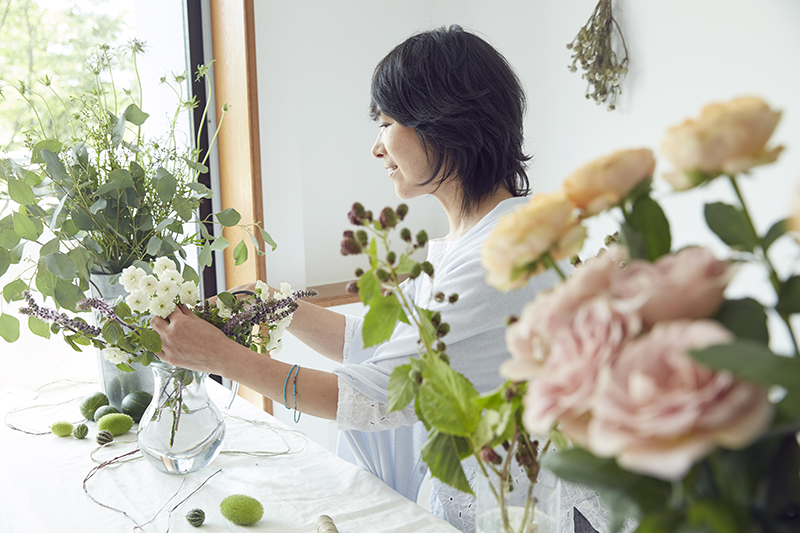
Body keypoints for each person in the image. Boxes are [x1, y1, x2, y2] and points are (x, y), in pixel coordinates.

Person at [151, 25, 559, 532]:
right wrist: (273, 303)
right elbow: (375, 342)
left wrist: (221, 358)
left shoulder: (499, 257)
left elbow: (369, 400)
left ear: (446, 124)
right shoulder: (475, 240)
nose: (376, 147)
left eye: (387, 123)